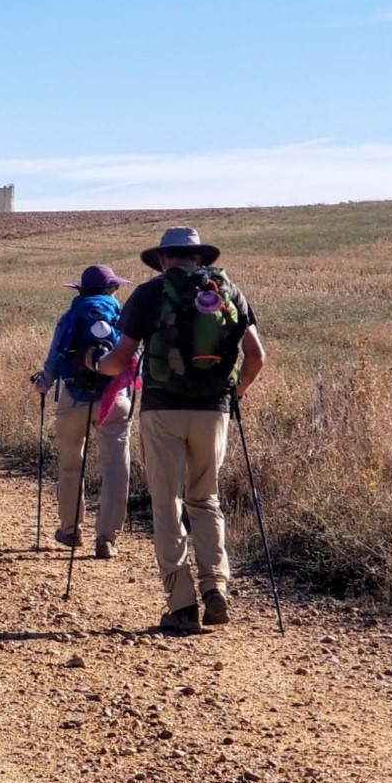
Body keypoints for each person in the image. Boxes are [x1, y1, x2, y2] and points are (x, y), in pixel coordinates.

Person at [92, 226, 266, 635]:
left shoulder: (150, 295)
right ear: (200, 259)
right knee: (205, 498)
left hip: (162, 410)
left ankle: (181, 604)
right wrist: (232, 394)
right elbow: (257, 357)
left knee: (167, 502)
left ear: (163, 259)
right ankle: (215, 587)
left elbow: (119, 360)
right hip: (214, 411)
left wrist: (94, 366)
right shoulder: (228, 292)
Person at [29, 264, 133, 559]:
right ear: (112, 289)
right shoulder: (123, 316)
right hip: (114, 399)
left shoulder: (70, 317)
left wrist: (44, 384)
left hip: (73, 398)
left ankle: (70, 528)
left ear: (81, 290)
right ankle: (107, 539)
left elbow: (55, 357)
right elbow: (135, 357)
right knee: (115, 468)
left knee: (71, 463)